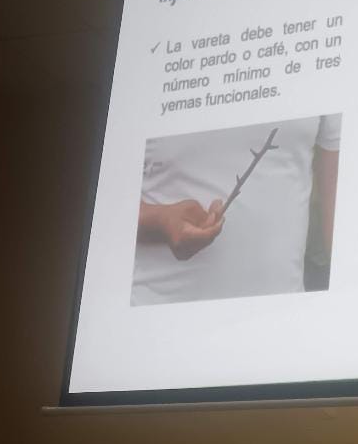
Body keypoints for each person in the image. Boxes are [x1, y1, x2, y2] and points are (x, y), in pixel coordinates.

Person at [132, 114, 341, 305]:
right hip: (159, 317)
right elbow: (113, 207)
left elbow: (339, 204)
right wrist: (159, 221)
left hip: (282, 316)